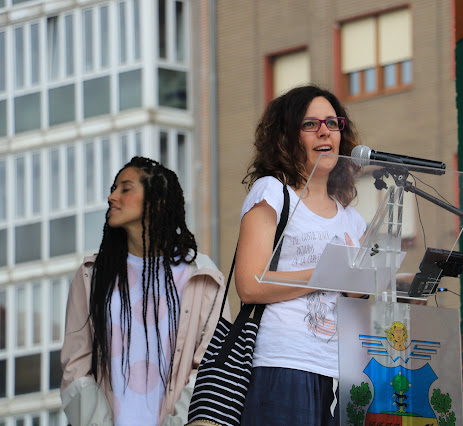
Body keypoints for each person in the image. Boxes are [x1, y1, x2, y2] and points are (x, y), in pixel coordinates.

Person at [60, 157, 229, 426]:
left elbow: (212, 364)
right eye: (114, 188)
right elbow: (76, 364)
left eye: (125, 189)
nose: (111, 196)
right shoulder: (92, 275)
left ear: (156, 201)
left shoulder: (201, 275)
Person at [236, 85, 366, 425]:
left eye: (332, 123)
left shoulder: (353, 218)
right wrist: (325, 273)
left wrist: (413, 284)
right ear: (286, 138)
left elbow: (358, 296)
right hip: (284, 364)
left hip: (344, 371)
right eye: (310, 124)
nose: (324, 131)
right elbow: (250, 284)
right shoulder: (273, 192)